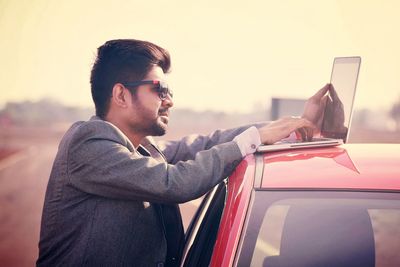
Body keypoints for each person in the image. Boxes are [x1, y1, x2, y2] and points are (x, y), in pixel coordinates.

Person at [37, 39, 328, 267]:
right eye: (160, 89)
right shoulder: (88, 143)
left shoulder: (139, 149)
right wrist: (252, 140)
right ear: (121, 95)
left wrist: (288, 128)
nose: (170, 101)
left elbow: (202, 145)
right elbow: (172, 182)